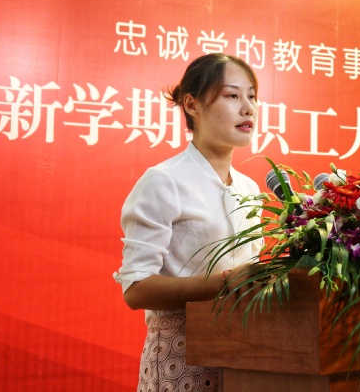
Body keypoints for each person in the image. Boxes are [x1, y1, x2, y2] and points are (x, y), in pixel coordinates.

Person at [113, 53, 263, 392]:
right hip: (181, 358)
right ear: (192, 105)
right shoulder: (164, 180)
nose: (248, 108)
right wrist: (226, 283)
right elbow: (136, 289)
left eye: (252, 96)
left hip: (248, 358)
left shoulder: (250, 189)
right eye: (232, 95)